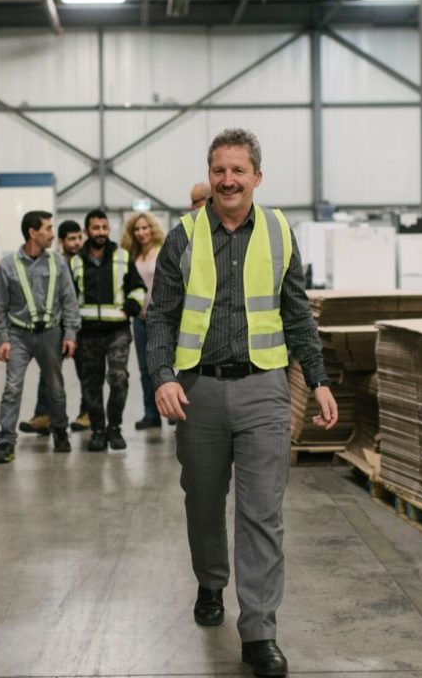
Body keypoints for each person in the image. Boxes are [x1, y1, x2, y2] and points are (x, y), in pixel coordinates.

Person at [147, 128, 337, 678]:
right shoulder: (182, 236)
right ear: (210, 174)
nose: (227, 180)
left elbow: (297, 312)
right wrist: (162, 375)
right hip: (197, 392)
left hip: (264, 390)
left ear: (257, 176)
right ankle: (211, 581)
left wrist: (318, 379)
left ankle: (258, 632)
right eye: (218, 169)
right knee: (203, 502)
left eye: (237, 170)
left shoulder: (279, 231)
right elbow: (160, 314)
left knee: (262, 513)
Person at [0, 211, 80, 462]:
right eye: (48, 229)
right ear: (33, 232)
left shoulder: (57, 263)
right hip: (18, 335)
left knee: (55, 387)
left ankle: (60, 431)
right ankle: (6, 442)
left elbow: (69, 301)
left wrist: (70, 333)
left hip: (51, 333)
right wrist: (3, 339)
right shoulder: (7, 265)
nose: (53, 234)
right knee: (12, 387)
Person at [70, 209, 147, 452]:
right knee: (91, 384)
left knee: (118, 378)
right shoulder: (75, 262)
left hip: (117, 331)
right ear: (86, 231)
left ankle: (114, 428)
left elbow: (138, 287)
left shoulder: (123, 257)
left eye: (104, 227)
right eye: (96, 228)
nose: (101, 232)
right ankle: (97, 431)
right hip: (88, 333)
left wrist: (131, 307)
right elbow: (69, 297)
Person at [20, 219, 90, 434]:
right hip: (54, 327)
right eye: (71, 239)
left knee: (86, 372)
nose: (77, 243)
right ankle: (44, 415)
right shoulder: (52, 262)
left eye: (79, 238)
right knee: (48, 374)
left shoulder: (88, 262)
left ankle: (87, 413)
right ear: (62, 241)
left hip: (83, 327)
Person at [120, 212, 165, 430]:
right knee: (146, 369)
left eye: (145, 228)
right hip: (139, 320)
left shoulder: (162, 251)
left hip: (162, 319)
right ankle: (151, 413)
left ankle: (174, 410)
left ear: (152, 229)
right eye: (137, 229)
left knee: (166, 365)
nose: (141, 233)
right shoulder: (131, 256)